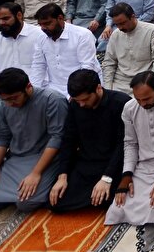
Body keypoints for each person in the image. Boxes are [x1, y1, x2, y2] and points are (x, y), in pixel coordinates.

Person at [0, 68, 68, 213]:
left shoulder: (53, 100)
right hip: (17, 159)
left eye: (13, 98)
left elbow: (57, 138)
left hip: (46, 159)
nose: (10, 103)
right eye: (5, 99)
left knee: (25, 204)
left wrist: (36, 174)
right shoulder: (5, 105)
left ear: (28, 87)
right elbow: (2, 138)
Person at [106, 71, 154, 225]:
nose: (142, 104)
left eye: (147, 98)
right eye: (138, 99)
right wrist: (127, 175)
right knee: (117, 209)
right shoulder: (129, 108)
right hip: (143, 168)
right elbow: (130, 143)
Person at [49, 69, 130, 212]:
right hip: (87, 164)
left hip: (114, 164)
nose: (81, 105)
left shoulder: (121, 103)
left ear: (98, 88)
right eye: (77, 101)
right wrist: (62, 176)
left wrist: (107, 178)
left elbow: (123, 145)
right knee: (56, 202)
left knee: (117, 201)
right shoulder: (75, 105)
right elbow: (69, 140)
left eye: (85, 100)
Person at [31, 4, 102, 98]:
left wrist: (74, 95)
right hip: (53, 88)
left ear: (60, 18)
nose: (43, 28)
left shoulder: (82, 35)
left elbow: (87, 67)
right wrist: (34, 92)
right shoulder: (41, 37)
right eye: (40, 25)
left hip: (81, 88)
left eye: (47, 23)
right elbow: (38, 65)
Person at [102, 2, 154, 93]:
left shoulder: (153, 31)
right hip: (120, 83)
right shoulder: (115, 34)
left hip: (145, 81)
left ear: (133, 16)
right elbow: (109, 63)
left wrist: (150, 83)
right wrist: (108, 89)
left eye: (123, 23)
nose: (120, 27)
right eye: (117, 24)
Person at [0, 2, 46, 83]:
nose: (1, 23)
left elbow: (44, 69)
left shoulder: (39, 35)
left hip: (33, 87)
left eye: (5, 18)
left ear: (19, 15)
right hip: (4, 89)